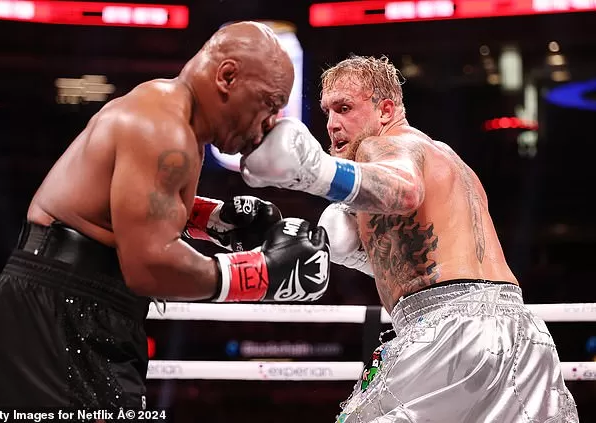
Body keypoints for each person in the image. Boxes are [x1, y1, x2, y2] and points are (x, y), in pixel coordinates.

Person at [0, 21, 332, 409]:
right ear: (227, 76)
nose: (270, 123)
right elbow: (149, 265)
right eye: (268, 103)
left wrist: (217, 220)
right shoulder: (162, 127)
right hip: (63, 307)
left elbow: (133, 208)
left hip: (76, 305)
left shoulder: (172, 119)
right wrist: (261, 273)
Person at [240, 55, 579, 422]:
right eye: (327, 112)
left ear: (385, 110)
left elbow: (404, 191)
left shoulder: (385, 147)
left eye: (344, 108)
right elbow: (426, 263)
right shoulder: (449, 160)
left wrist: (312, 171)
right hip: (523, 336)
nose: (332, 125)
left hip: (449, 331)